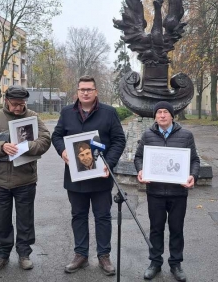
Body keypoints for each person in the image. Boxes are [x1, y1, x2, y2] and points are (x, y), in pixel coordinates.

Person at [51, 75, 126, 276]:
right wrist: (62, 151)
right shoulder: (67, 112)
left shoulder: (109, 113)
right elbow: (56, 136)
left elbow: (119, 140)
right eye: (82, 89)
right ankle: (81, 255)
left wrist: (108, 163)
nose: (85, 92)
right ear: (77, 92)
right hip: (75, 178)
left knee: (103, 217)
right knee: (78, 216)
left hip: (101, 177)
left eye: (89, 89)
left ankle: (104, 256)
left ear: (96, 92)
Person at [0, 85, 51, 272]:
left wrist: (27, 146)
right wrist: (1, 147)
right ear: (6, 100)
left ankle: (24, 254)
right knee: (1, 220)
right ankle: (1, 255)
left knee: (25, 219)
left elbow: (45, 140)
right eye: (14, 104)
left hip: (25, 179)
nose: (18, 108)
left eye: (22, 104)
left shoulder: (32, 117)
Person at [134, 101, 200, 282]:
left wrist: (193, 175)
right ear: (155, 116)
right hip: (155, 191)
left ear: (172, 115)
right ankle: (155, 262)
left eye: (165, 112)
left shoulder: (186, 135)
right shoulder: (148, 134)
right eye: (159, 112)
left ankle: (175, 264)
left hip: (178, 192)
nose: (162, 115)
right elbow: (139, 157)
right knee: (156, 229)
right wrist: (140, 169)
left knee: (176, 229)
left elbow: (194, 160)